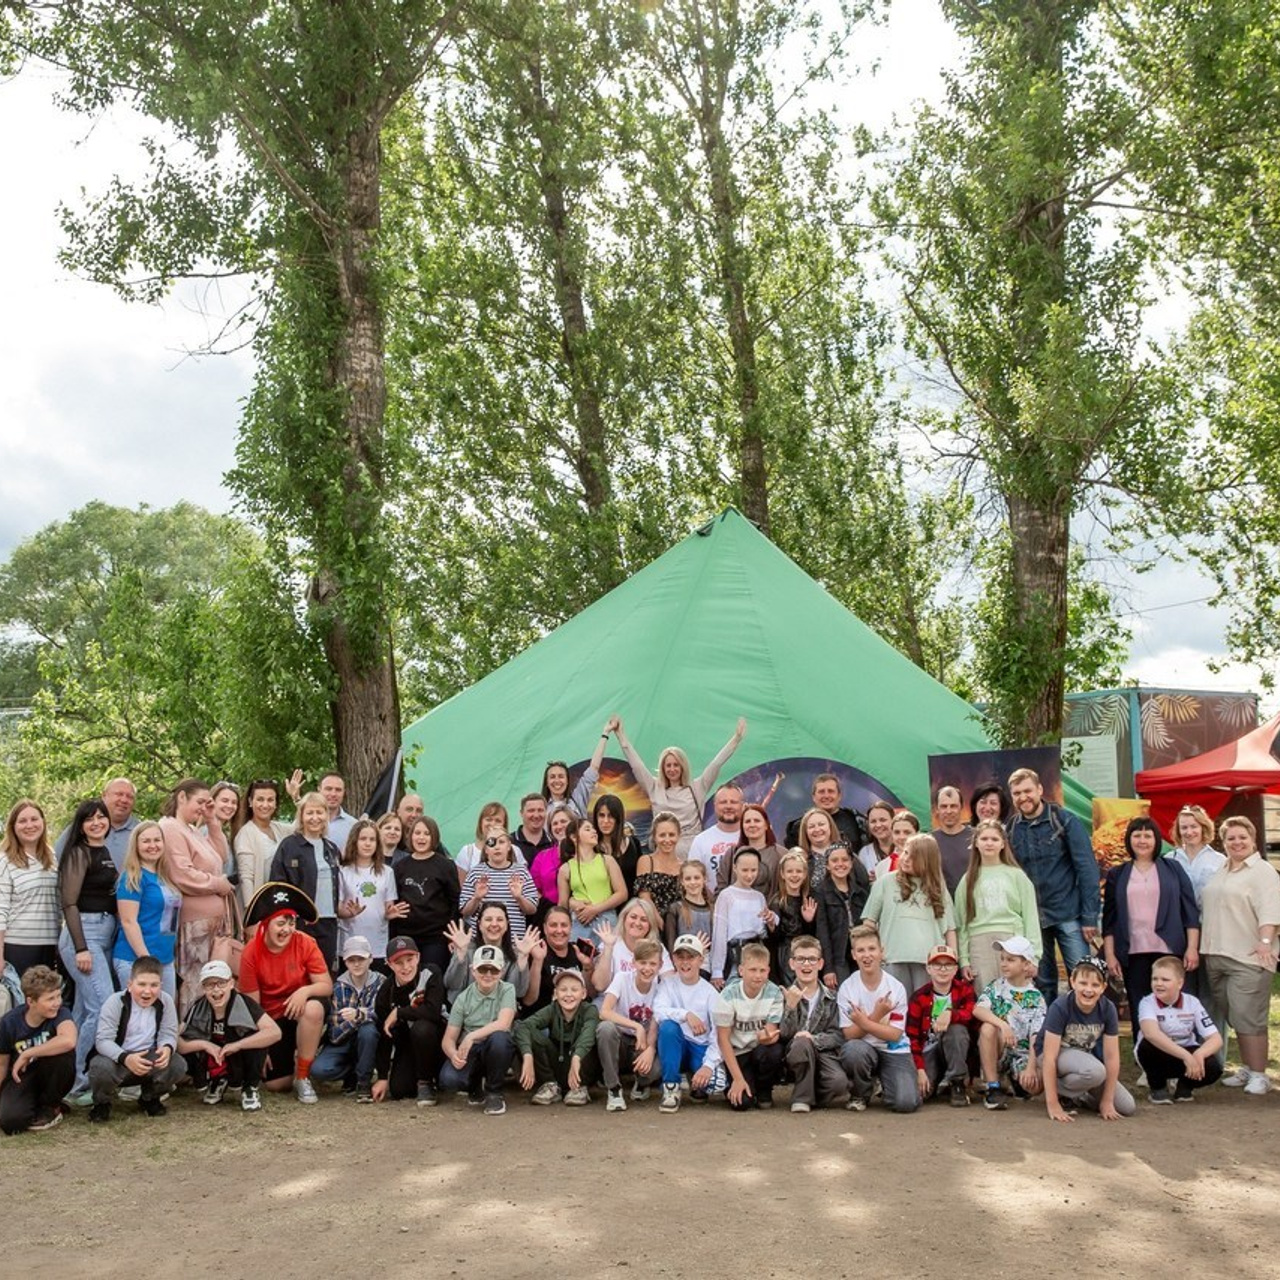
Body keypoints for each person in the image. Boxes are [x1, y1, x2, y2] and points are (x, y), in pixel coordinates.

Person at [1101, 816, 1200, 1047]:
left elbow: (1189, 910)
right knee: (1140, 1004)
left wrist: (1192, 947)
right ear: (1129, 839)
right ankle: (1146, 1058)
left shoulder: (1172, 868)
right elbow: (1110, 918)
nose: (1142, 840)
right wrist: (1110, 953)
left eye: (1148, 835)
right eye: (1137, 835)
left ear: (1156, 839)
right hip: (1134, 951)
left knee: (1172, 1005)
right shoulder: (1118, 873)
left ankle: (1178, 1054)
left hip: (1169, 949)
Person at [1199, 815, 1280, 1095]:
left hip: (1248, 955)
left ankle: (1259, 1074)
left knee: (1249, 1016)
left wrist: (1266, 941)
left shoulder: (1262, 872)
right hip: (1216, 953)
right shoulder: (1223, 869)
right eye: (1231, 838)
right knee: (1233, 1015)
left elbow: (1271, 909)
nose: (1236, 842)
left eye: (1242, 837)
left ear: (1253, 838)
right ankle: (1247, 1067)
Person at [1007, 768, 1099, 1005]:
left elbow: (1087, 869)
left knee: (1083, 977)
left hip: (1068, 914)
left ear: (1039, 790)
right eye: (1017, 793)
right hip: (1034, 920)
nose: (1023, 797)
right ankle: (1047, 1038)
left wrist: (1090, 917)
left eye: (1027, 790)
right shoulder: (1011, 829)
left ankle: (1091, 1039)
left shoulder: (1065, 820)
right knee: (1042, 983)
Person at [238, 882, 334, 1103]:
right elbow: (252, 1007)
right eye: (281, 923)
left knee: (312, 1007)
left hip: (303, 1011)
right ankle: (295, 1058)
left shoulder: (305, 942)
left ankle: (303, 1076)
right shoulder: (251, 952)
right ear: (266, 924)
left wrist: (304, 991)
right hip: (272, 1020)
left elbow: (326, 985)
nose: (287, 930)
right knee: (276, 1085)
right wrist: (259, 1048)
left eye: (291, 923)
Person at [612, 714, 747, 856]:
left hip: (693, 852)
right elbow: (637, 765)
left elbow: (716, 764)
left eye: (676, 765)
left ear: (683, 766)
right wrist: (621, 736)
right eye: (668, 765)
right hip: (663, 851)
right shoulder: (654, 788)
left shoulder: (698, 787)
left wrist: (736, 739)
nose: (672, 769)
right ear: (662, 768)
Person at [57, 798, 120, 1096]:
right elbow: (68, 902)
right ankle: (79, 1080)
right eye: (89, 819)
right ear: (80, 826)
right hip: (83, 934)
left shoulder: (103, 851)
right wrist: (81, 947)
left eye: (101, 817)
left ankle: (67, 1078)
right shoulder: (78, 853)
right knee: (103, 1006)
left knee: (84, 1011)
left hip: (104, 933)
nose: (97, 822)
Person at [161, 778, 235, 1014]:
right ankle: (190, 1032)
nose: (203, 807)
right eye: (200, 802)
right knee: (196, 982)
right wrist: (217, 884)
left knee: (215, 982)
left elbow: (220, 856)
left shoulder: (191, 829)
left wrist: (212, 820)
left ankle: (208, 1030)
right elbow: (182, 874)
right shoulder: (169, 827)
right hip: (194, 922)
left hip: (215, 921)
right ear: (182, 797)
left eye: (207, 803)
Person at [87, 955, 185, 1122]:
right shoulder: (114, 1002)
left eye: (154, 985)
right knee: (100, 1067)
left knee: (177, 1064)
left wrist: (167, 1047)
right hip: (119, 1061)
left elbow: (168, 1032)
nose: (147, 991)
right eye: (142, 984)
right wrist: (126, 1058)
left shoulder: (166, 1001)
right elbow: (103, 1040)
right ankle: (102, 1103)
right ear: (130, 984)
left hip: (149, 1059)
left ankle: (150, 1098)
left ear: (161, 986)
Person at [1039, 954, 1134, 1122]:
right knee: (1095, 1071)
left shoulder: (1107, 1008)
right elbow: (1049, 1056)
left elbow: (1112, 1057)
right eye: (1083, 983)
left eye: (1095, 985)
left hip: (1083, 1061)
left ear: (1103, 987)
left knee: (1127, 1106)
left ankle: (1079, 1097)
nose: (1088, 990)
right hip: (1054, 1055)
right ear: (1072, 982)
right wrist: (1052, 1104)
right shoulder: (1060, 1007)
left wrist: (1107, 1100)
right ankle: (1051, 1089)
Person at [177, 959, 280, 1112]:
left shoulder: (245, 1003)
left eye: (221, 983)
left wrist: (238, 1045)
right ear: (203, 988)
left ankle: (250, 1087)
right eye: (209, 984)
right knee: (189, 1046)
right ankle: (217, 1081)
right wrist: (205, 1045)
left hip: (238, 1056)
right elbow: (177, 1040)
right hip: (216, 1058)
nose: (216, 990)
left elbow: (275, 1032)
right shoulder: (197, 1008)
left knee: (258, 1039)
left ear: (231, 984)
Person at [837, 924, 918, 1114]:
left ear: (882, 952)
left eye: (872, 949)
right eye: (861, 950)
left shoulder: (895, 988)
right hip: (863, 1049)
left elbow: (895, 1034)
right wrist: (877, 1015)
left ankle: (886, 1082)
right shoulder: (848, 988)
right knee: (852, 1050)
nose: (867, 955)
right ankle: (861, 1092)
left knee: (906, 1103)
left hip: (893, 1050)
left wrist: (864, 1022)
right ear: (853, 954)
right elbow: (849, 1034)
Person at [861, 833, 957, 994]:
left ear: (926, 861)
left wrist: (953, 959)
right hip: (892, 957)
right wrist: (874, 950)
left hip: (928, 961)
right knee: (895, 1008)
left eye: (913, 857)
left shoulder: (938, 888)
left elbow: (949, 929)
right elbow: (869, 922)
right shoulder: (885, 882)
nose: (906, 859)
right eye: (905, 852)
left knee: (924, 1009)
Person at [954, 819, 1042, 992]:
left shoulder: (1017, 876)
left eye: (994, 839)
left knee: (1015, 996)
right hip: (979, 946)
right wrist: (964, 960)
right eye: (984, 839)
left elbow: (1031, 918)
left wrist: (1034, 956)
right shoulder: (968, 879)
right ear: (976, 844)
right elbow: (961, 923)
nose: (989, 843)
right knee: (986, 998)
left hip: (1013, 940)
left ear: (1003, 844)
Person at [440, 944, 517, 1115]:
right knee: (449, 1079)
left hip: (494, 1045)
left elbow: (504, 1023)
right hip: (472, 1050)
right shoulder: (462, 998)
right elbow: (448, 1039)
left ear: (502, 971)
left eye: (494, 970)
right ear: (473, 970)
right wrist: (453, 1055)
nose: (488, 975)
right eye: (482, 969)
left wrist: (470, 1037)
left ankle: (494, 1092)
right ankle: (474, 1086)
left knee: (500, 1039)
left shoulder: (507, 989)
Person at [269, 790, 342, 972]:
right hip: (300, 922)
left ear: (326, 815)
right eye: (309, 812)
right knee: (297, 972)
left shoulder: (331, 848)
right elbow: (277, 884)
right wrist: (288, 917)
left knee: (322, 972)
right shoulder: (289, 845)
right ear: (301, 816)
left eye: (319, 812)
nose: (315, 818)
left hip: (328, 922)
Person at [1135, 955, 1224, 1103]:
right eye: (1155, 979)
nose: (1158, 984)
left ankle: (1185, 1086)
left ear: (1180, 983)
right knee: (1147, 1046)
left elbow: (1216, 1039)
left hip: (1186, 1051)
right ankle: (1158, 1088)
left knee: (1214, 1066)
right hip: (1158, 1053)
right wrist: (1186, 1056)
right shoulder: (1147, 1002)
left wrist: (1199, 1055)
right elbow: (1151, 1034)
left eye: (1165, 980)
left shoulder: (1192, 1002)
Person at [706, 941, 784, 1111]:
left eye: (762, 970)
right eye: (752, 970)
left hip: (758, 1049)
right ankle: (740, 1083)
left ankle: (764, 1090)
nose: (758, 975)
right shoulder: (728, 995)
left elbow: (773, 1030)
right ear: (741, 970)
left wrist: (767, 1037)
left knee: (774, 1051)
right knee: (741, 1103)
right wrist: (738, 1079)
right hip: (736, 1053)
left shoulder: (774, 993)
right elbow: (723, 1039)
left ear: (768, 971)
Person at [0, 964, 76, 1134]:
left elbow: (69, 1040)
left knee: (62, 1054)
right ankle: (31, 1105)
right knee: (11, 1123)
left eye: (58, 996)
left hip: (51, 1073)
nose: (57, 1003)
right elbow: (2, 1065)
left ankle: (51, 1105)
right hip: (21, 1078)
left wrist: (29, 1052)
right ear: (31, 1001)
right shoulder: (9, 1023)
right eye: (50, 999)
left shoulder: (61, 1013)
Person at [972, 936, 1046, 1111]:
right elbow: (978, 1010)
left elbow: (1036, 1035)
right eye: (1002, 959)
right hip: (999, 1050)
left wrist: (1030, 1068)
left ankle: (1015, 1079)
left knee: (1035, 1087)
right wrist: (1003, 1025)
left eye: (1010, 960)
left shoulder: (1037, 998)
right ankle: (993, 1086)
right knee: (988, 1028)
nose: (1004, 964)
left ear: (1026, 964)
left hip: (1022, 1054)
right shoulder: (996, 986)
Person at [371, 935, 446, 1106]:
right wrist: (382, 1076)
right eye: (398, 962)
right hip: (409, 1045)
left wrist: (399, 1012)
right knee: (399, 1090)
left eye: (410, 959)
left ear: (418, 957)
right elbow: (384, 1034)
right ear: (389, 964)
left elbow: (433, 1012)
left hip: (437, 1039)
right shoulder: (385, 993)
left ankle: (426, 1082)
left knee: (422, 1028)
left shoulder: (431, 973)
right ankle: (423, 1076)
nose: (406, 967)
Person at [112, 820, 182, 999]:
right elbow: (128, 922)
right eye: (146, 841)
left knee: (165, 1014)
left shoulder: (164, 877)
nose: (153, 845)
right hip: (136, 960)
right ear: (136, 845)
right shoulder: (132, 877)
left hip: (164, 959)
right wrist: (146, 961)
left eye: (157, 840)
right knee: (138, 1019)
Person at [311, 934, 385, 1102]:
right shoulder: (338, 987)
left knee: (368, 1031)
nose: (357, 964)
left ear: (371, 959)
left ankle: (364, 1082)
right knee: (319, 1070)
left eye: (361, 958)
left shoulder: (381, 982)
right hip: (343, 1041)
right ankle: (353, 1072)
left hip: (370, 1039)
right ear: (345, 962)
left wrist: (357, 1015)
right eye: (352, 960)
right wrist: (363, 1016)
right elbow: (334, 1033)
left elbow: (382, 1014)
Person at [780, 935, 845, 1114]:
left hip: (823, 1052)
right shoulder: (784, 994)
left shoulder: (832, 997)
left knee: (839, 1083)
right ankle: (801, 1099)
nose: (806, 964)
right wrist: (791, 1007)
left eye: (812, 959)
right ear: (792, 964)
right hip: (795, 1054)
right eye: (800, 959)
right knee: (801, 1042)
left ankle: (811, 1095)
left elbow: (837, 1035)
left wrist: (814, 1039)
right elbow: (784, 1034)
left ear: (821, 963)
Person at [654, 934, 719, 1112]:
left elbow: (718, 1034)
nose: (685, 963)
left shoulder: (710, 993)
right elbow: (658, 1011)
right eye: (680, 957)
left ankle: (695, 1077)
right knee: (668, 1027)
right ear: (673, 959)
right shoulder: (667, 984)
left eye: (690, 957)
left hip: (700, 1047)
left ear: (701, 959)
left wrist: (708, 1066)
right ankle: (671, 1087)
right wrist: (686, 1014)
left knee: (715, 1085)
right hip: (677, 1046)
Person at [515, 968, 599, 1106]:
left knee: (593, 1037)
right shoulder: (552, 1009)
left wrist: (577, 1056)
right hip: (558, 1063)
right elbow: (524, 1026)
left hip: (581, 1066)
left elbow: (588, 1033)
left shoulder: (590, 1010)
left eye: (574, 990)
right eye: (563, 990)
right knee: (527, 1031)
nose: (569, 994)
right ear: (555, 994)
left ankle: (580, 1088)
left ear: (583, 993)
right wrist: (527, 1055)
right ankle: (550, 1085)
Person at [905, 943, 975, 1107]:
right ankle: (937, 1080)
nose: (943, 969)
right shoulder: (919, 997)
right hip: (929, 1051)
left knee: (956, 1030)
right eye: (937, 964)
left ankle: (957, 1083)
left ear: (955, 969)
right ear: (928, 969)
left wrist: (951, 1014)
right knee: (920, 1095)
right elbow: (912, 1037)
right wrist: (920, 1069)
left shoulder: (965, 990)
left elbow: (972, 1015)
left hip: (956, 1049)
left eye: (948, 964)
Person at [598, 937, 664, 1111]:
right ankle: (613, 1089)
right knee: (605, 1029)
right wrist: (637, 1027)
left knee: (655, 1067)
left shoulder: (662, 988)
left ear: (660, 965)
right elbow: (604, 1011)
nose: (647, 969)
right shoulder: (622, 978)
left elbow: (657, 1022)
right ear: (633, 962)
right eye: (642, 962)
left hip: (641, 1043)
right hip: (620, 1039)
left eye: (652, 964)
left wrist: (651, 1048)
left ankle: (642, 1083)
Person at [392, 814, 459, 976]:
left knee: (431, 977)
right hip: (406, 935)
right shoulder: (400, 867)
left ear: (434, 837)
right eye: (417, 833)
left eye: (426, 834)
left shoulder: (445, 865)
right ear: (410, 836)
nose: (421, 838)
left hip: (435, 937)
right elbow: (394, 900)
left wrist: (452, 935)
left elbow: (455, 901)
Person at [0, 799, 60, 976]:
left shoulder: (51, 857)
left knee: (46, 1002)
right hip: (18, 946)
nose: (29, 825)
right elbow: (0, 910)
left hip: (49, 944)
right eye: (22, 821)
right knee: (21, 1002)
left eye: (34, 819)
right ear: (13, 827)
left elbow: (57, 905)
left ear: (43, 822)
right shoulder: (5, 860)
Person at [337, 819, 402, 964]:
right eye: (363, 839)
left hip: (378, 945)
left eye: (372, 839)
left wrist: (390, 913)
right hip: (350, 942)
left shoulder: (387, 872)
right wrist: (349, 913)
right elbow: (339, 909)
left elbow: (388, 906)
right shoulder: (343, 872)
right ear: (354, 841)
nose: (367, 843)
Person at [442, 903, 535, 1002]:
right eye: (488, 919)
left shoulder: (516, 952)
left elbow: (518, 992)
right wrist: (460, 956)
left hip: (499, 1014)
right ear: (479, 924)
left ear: (507, 925)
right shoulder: (466, 947)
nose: (494, 924)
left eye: (499, 920)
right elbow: (451, 984)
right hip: (464, 1012)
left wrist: (522, 959)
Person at [557, 817, 627, 945]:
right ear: (574, 837)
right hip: (580, 921)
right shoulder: (565, 869)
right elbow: (562, 904)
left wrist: (595, 909)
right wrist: (573, 903)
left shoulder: (607, 860)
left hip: (607, 920)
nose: (594, 831)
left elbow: (622, 893)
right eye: (587, 829)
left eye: (593, 829)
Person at [460, 830, 539, 940]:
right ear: (486, 849)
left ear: (509, 846)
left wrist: (519, 898)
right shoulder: (475, 873)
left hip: (514, 942)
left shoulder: (521, 872)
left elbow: (532, 909)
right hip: (481, 942)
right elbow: (464, 910)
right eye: (492, 843)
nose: (497, 847)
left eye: (501, 842)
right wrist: (476, 898)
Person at [813, 844, 871, 990]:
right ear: (827, 865)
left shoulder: (860, 892)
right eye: (834, 860)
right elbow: (822, 931)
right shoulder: (820, 892)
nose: (840, 864)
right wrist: (828, 968)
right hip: (838, 956)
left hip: (860, 952)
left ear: (851, 863)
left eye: (844, 860)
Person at [710, 849, 769, 986]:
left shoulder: (759, 897)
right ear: (735, 868)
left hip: (757, 952)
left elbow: (764, 930)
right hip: (735, 955)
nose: (749, 875)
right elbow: (719, 933)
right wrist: (717, 970)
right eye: (745, 870)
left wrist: (772, 920)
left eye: (753, 870)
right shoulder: (726, 895)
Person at [522, 905, 596, 1014]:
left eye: (564, 925)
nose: (559, 930)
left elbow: (589, 995)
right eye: (553, 925)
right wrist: (538, 961)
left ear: (571, 928)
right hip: (543, 1019)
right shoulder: (535, 950)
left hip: (573, 1018)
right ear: (545, 928)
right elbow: (528, 1001)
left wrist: (587, 967)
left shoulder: (578, 951)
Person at [57, 777, 140, 872]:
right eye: (119, 794)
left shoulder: (141, 832)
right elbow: (57, 860)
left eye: (130, 797)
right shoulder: (83, 828)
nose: (124, 800)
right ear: (104, 796)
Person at [592, 898, 673, 990]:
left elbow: (670, 983)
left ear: (650, 925)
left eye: (644, 920)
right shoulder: (609, 942)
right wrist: (608, 948)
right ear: (624, 918)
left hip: (646, 1002)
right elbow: (600, 986)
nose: (637, 923)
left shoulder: (657, 948)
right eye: (633, 917)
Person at [234, 779, 292, 906]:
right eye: (260, 799)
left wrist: (296, 797)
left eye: (270, 800)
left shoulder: (280, 829)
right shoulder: (246, 834)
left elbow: (304, 827)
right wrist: (251, 914)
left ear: (276, 803)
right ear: (250, 802)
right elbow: (246, 878)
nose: (265, 805)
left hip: (279, 904)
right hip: (258, 907)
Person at [784, 774, 869, 859]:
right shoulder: (798, 827)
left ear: (839, 796)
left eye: (831, 791)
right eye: (821, 792)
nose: (826, 796)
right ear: (813, 797)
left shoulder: (856, 820)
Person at [766, 849, 817, 984]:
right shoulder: (777, 901)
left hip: (806, 952)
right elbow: (774, 938)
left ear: (805, 874)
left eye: (799, 871)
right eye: (790, 871)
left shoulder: (809, 899)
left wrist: (808, 921)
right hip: (784, 955)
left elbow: (814, 933)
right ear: (782, 874)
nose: (794, 875)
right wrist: (771, 926)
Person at [542, 721, 613, 816]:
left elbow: (594, 768)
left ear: (567, 781)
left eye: (561, 776)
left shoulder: (578, 798)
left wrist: (605, 734)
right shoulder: (541, 809)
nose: (557, 780)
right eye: (552, 777)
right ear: (546, 782)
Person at [687, 785, 744, 893]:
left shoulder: (752, 837)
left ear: (742, 805)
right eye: (723, 802)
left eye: (733, 802)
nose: (728, 806)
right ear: (715, 806)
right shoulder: (701, 841)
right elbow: (692, 877)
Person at [592, 793, 643, 899]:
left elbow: (640, 883)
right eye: (601, 815)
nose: (605, 821)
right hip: (600, 908)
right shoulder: (591, 848)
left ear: (618, 819)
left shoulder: (634, 844)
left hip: (631, 908)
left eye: (610, 816)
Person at [635, 812, 684, 916]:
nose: (667, 840)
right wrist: (659, 923)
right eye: (662, 835)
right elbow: (645, 898)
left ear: (679, 835)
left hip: (679, 922)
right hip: (653, 922)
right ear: (654, 837)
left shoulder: (684, 866)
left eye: (671, 835)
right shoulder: (646, 861)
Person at [664, 861, 713, 957]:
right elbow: (671, 945)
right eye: (688, 879)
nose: (693, 882)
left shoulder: (713, 909)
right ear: (682, 881)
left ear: (705, 879)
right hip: (683, 962)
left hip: (708, 963)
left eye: (697, 878)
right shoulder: (676, 909)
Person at [455, 804, 513, 886]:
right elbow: (462, 889)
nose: (492, 823)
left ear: (504, 824)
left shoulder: (514, 850)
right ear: (481, 822)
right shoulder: (467, 852)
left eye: (498, 820)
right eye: (488, 819)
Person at [930, 786, 972, 894]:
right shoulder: (929, 841)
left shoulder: (976, 837)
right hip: (941, 905)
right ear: (936, 809)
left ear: (961, 807)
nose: (949, 811)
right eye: (944, 806)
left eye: (953, 806)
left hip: (972, 903)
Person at [796, 808, 845, 891]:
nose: (817, 829)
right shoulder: (800, 860)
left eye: (821, 824)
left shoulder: (846, 854)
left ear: (830, 826)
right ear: (805, 832)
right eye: (811, 826)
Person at [208, 781, 242, 882]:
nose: (230, 806)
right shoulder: (206, 832)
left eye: (234, 802)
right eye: (225, 800)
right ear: (212, 801)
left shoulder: (225, 833)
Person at [873, 812, 921, 882]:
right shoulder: (881, 866)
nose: (901, 837)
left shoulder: (926, 863)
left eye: (907, 832)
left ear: (917, 834)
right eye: (897, 832)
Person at [511, 794, 555, 867]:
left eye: (540, 810)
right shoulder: (509, 842)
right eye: (531, 811)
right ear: (521, 813)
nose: (536, 815)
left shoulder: (553, 844)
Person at [857, 800, 895, 879]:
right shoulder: (865, 853)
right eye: (873, 821)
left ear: (893, 821)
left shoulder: (904, 849)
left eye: (883, 820)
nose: (878, 825)